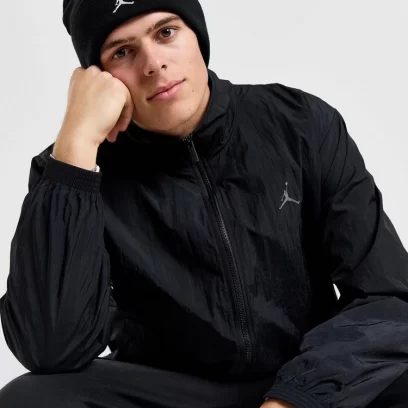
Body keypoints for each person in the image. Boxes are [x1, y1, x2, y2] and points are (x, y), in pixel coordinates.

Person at [0, 0, 407, 407]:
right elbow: (49, 348)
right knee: (28, 399)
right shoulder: (74, 170)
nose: (153, 64)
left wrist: (295, 399)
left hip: (307, 375)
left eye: (166, 32)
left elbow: (387, 295)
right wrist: (76, 146)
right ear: (99, 77)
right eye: (122, 52)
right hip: (170, 394)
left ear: (197, 35)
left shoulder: (299, 123)